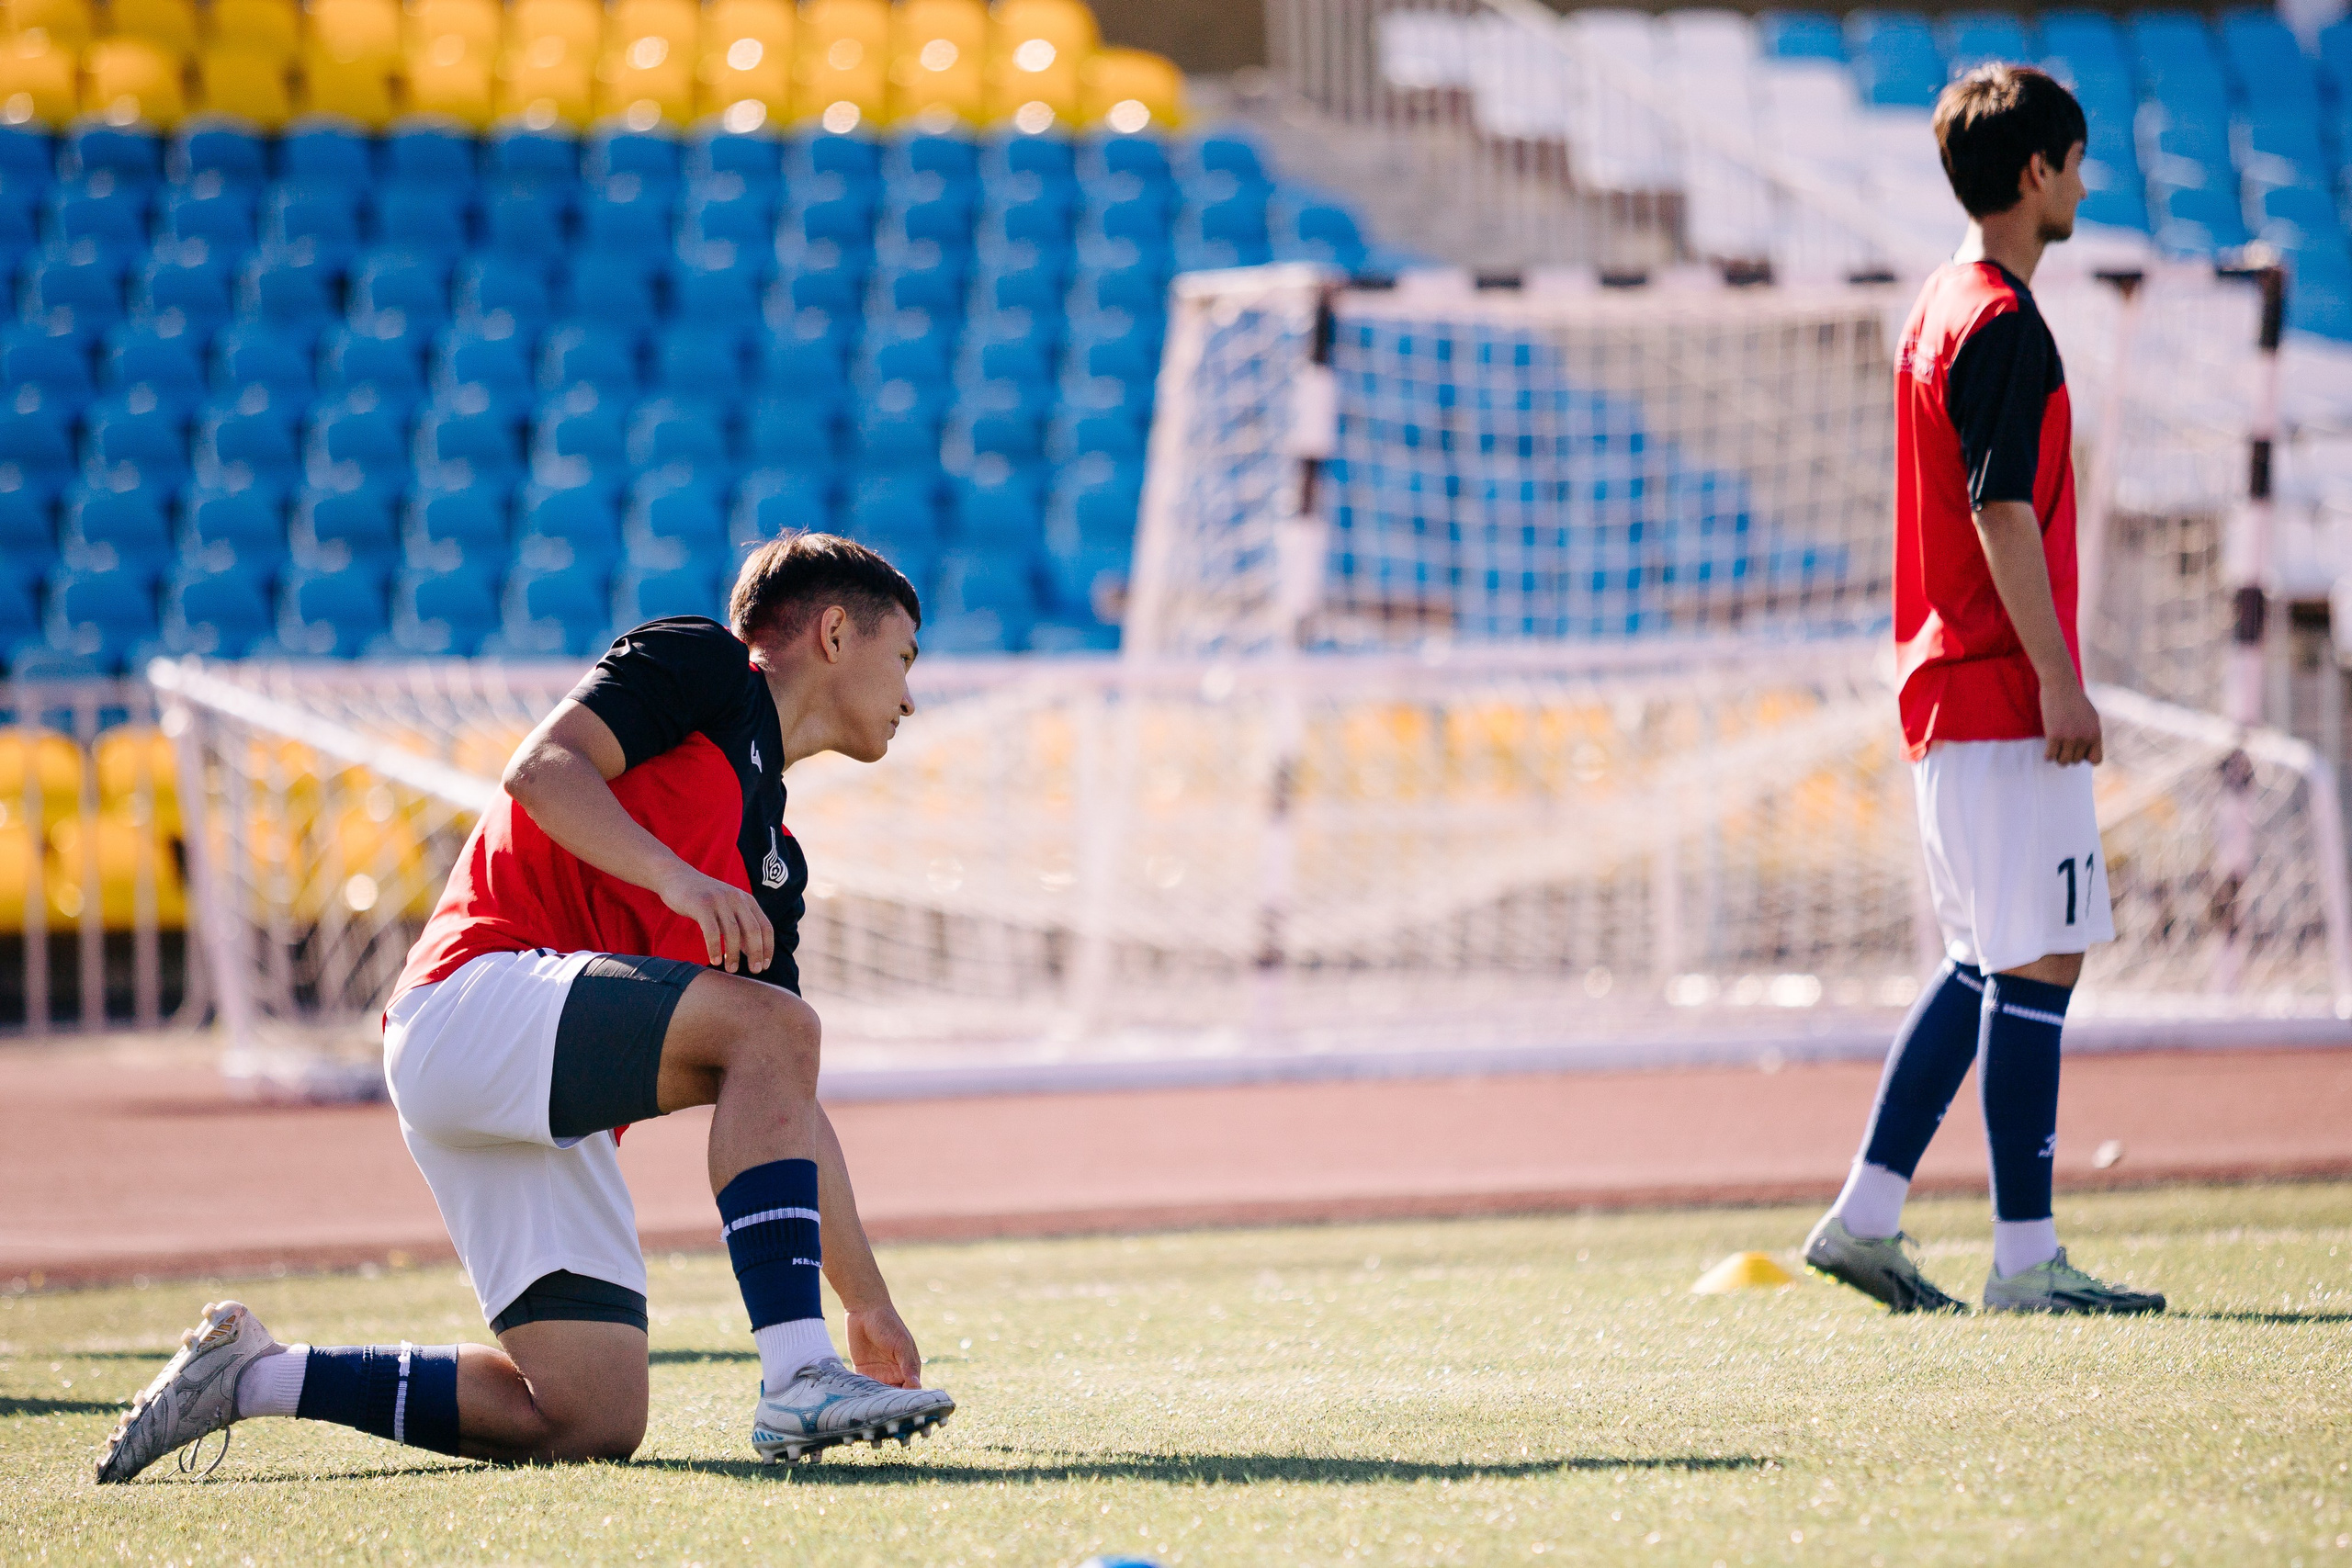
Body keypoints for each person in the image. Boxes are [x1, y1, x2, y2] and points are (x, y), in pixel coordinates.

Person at [98, 534, 958, 1483]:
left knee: (584, 1419)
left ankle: (254, 1376)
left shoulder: (774, 859)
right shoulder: (705, 662)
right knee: (772, 1027)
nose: (911, 696)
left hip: (535, 1107)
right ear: (836, 632)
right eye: (906, 658)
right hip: (470, 1002)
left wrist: (869, 1302)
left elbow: (783, 1088)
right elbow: (542, 768)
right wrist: (679, 882)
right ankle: (797, 1372)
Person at [1802, 64, 2163, 1316]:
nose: (2081, 182)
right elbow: (1999, 505)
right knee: (2043, 955)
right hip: (1999, 689)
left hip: (1947, 688)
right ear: (2035, 174)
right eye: (2074, 161)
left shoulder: (1937, 308)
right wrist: (2063, 681)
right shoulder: (2001, 318)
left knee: (1985, 957)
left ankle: (1866, 1216)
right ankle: (2025, 1255)